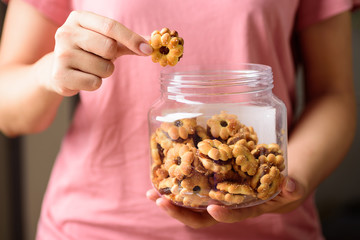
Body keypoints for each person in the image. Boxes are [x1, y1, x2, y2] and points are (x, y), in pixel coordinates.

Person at [0, 0, 358, 239]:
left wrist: (291, 179)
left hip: (272, 228)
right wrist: (47, 73)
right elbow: (9, 112)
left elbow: (334, 93)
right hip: (95, 226)